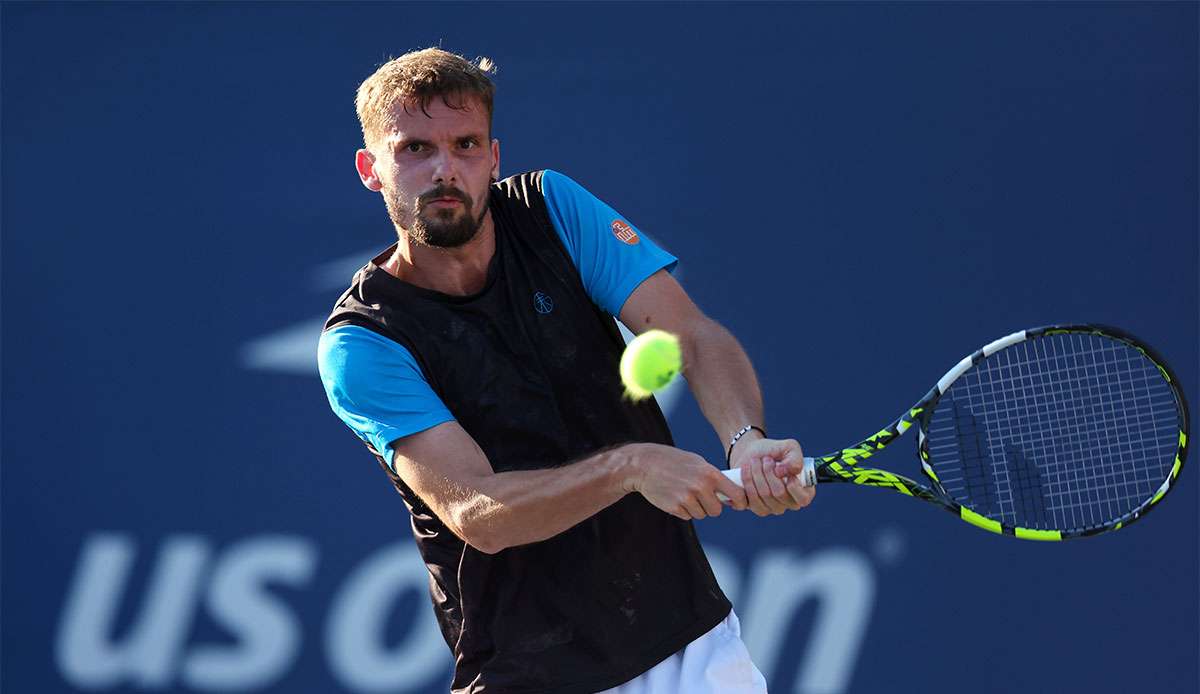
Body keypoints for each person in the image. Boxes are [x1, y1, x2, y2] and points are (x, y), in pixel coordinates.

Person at [318, 47, 815, 694]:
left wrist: (747, 441)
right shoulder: (364, 340)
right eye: (414, 149)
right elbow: (478, 509)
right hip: (531, 677)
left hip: (694, 645)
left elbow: (691, 335)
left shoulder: (551, 208)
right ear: (371, 169)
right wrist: (629, 467)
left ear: (494, 158)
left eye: (466, 144)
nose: (445, 169)